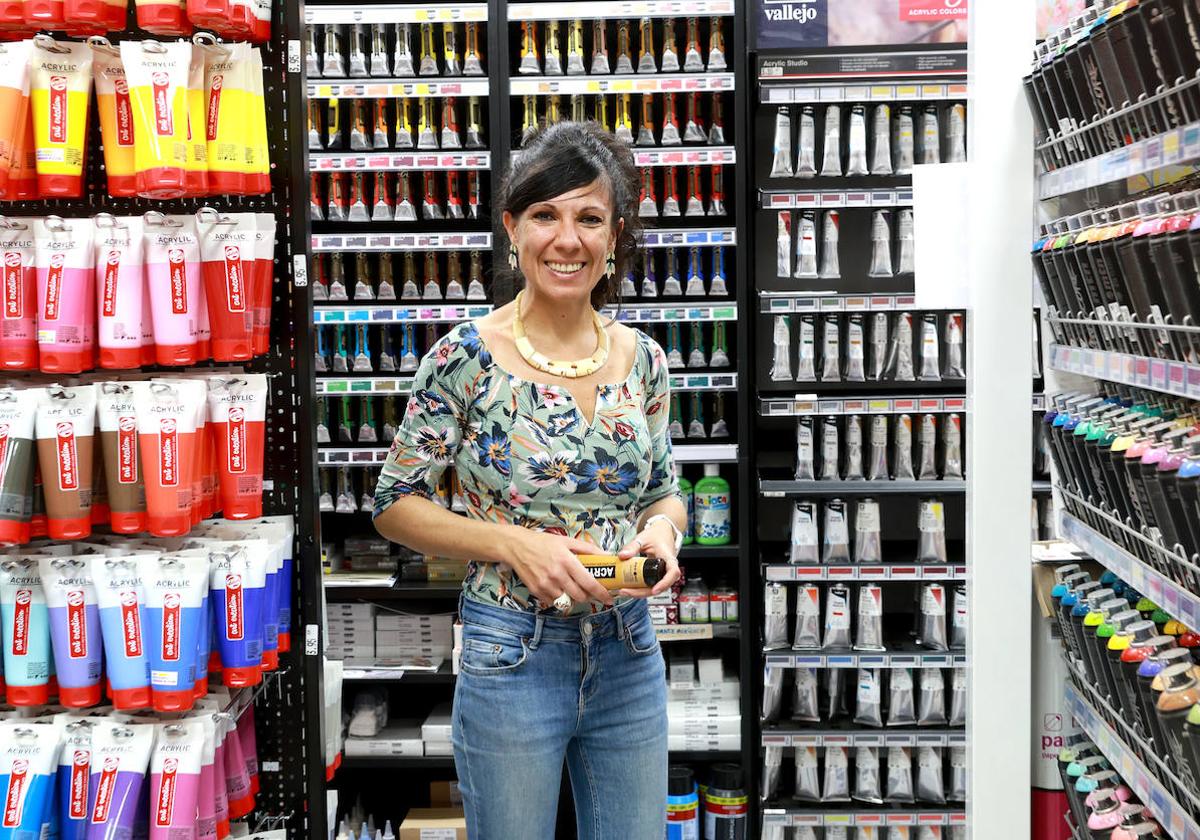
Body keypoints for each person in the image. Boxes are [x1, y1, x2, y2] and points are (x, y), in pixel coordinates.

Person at [371, 121, 687, 840]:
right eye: (545, 214)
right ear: (513, 228)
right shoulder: (465, 357)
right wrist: (517, 546)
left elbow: (664, 489)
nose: (566, 239)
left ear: (615, 235)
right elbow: (394, 504)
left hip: (629, 648)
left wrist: (662, 534)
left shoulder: (645, 360)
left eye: (589, 218)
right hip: (512, 652)